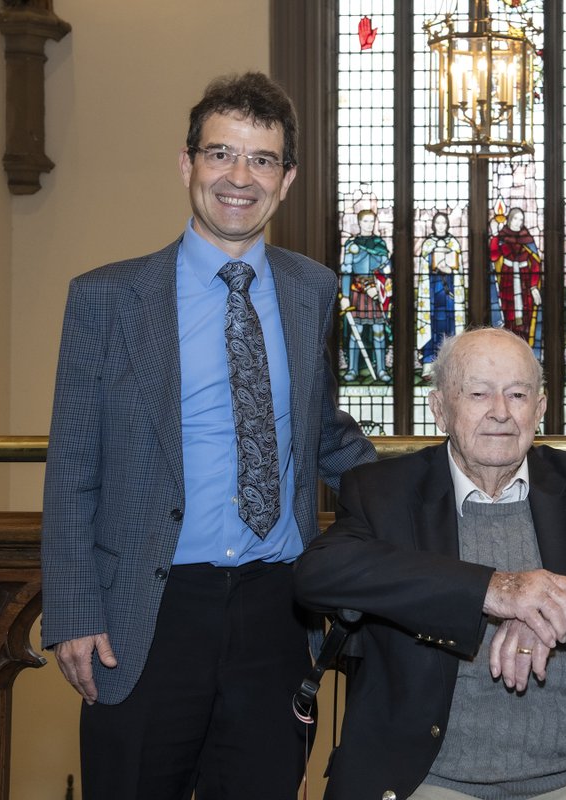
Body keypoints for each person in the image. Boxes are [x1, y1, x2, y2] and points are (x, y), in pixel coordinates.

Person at [39, 72, 376, 800]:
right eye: (221, 153)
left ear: (286, 180)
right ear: (186, 163)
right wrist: (72, 614)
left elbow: (320, 432)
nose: (238, 178)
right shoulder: (106, 299)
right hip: (148, 615)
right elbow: (71, 466)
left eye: (261, 160)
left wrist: (441, 493)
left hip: (277, 610)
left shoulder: (310, 288)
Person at [294, 327, 566, 800]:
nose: (501, 412)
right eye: (478, 393)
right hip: (430, 778)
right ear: (440, 408)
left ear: (540, 409)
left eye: (517, 394)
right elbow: (318, 572)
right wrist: (497, 591)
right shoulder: (385, 491)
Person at [339, 208, 392, 382]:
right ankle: (353, 369)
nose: (368, 225)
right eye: (365, 221)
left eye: (371, 221)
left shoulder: (380, 245)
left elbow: (387, 271)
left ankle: (382, 369)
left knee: (378, 332)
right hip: (357, 293)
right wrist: (345, 296)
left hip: (376, 293)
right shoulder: (351, 245)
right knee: (357, 332)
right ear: (359, 223)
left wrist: (380, 289)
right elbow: (346, 270)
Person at [490, 206, 543, 349]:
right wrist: (495, 234)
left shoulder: (527, 238)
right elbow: (494, 256)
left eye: (521, 219)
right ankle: (508, 349)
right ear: (509, 219)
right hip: (507, 281)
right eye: (515, 219)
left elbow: (536, 263)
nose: (518, 222)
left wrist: (533, 286)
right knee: (508, 315)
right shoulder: (501, 236)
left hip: (525, 281)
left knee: (526, 318)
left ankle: (526, 349)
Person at [418, 210, 463, 369]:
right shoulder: (428, 244)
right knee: (433, 327)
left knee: (449, 326)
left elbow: (459, 268)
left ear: (448, 224)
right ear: (433, 225)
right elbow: (423, 267)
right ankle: (429, 362)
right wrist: (434, 261)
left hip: (450, 293)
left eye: (444, 222)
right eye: (438, 222)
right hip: (432, 293)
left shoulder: (454, 243)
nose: (441, 226)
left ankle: (452, 364)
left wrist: (450, 268)